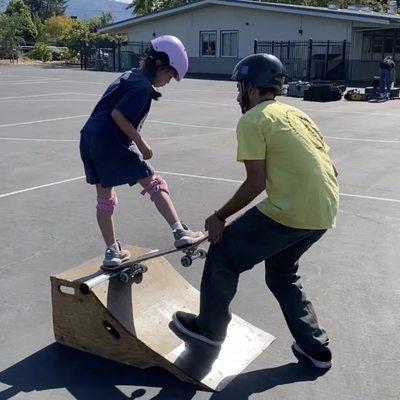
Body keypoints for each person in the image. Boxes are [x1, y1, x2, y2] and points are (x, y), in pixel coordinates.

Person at [172, 54, 339, 369]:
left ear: (251, 87)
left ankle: (209, 331)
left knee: (223, 256)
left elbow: (256, 182)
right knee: (282, 273)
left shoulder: (253, 120)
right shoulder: (298, 114)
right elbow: (332, 168)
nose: (238, 95)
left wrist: (219, 216)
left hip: (288, 211)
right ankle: (316, 349)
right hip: (324, 211)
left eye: (240, 87)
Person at [79, 35, 204, 269]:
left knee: (104, 199)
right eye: (169, 75)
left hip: (89, 139)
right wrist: (141, 143)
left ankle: (112, 252)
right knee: (154, 183)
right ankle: (180, 231)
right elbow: (118, 115)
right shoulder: (142, 87)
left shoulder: (131, 76)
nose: (168, 81)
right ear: (159, 65)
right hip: (111, 140)